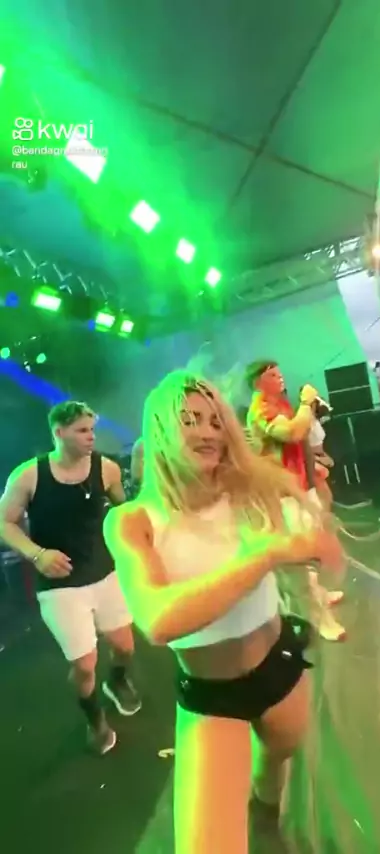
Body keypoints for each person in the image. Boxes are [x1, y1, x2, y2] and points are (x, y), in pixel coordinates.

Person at [103, 371, 345, 854]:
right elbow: (157, 619)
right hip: (212, 698)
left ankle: (266, 814)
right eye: (191, 419)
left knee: (278, 759)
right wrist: (265, 556)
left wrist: (315, 526)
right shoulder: (133, 521)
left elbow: (315, 529)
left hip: (280, 666)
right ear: (160, 430)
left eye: (216, 421)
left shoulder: (249, 492)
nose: (209, 432)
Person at [0, 400, 141, 755]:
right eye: (82, 430)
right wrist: (38, 554)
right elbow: (4, 522)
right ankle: (95, 719)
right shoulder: (29, 475)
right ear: (59, 432)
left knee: (125, 646)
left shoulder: (106, 469)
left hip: (105, 574)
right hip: (60, 587)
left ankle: (117, 683)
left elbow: (125, 511)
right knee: (84, 665)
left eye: (92, 429)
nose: (91, 437)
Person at [246, 360, 346, 641]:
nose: (280, 378)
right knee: (299, 561)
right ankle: (319, 619)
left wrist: (313, 467)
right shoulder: (261, 409)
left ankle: (319, 594)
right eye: (272, 375)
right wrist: (305, 403)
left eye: (280, 373)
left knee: (313, 549)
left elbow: (297, 446)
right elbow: (292, 433)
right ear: (257, 382)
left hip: (300, 490)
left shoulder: (279, 404)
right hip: (283, 497)